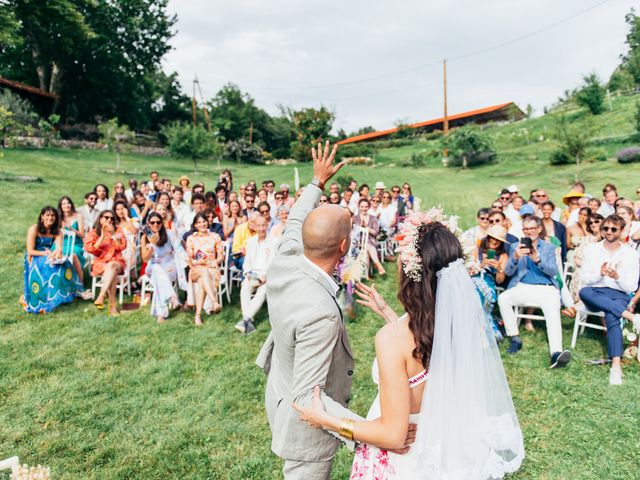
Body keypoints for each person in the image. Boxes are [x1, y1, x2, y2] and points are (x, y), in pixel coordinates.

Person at [293, 210, 524, 480]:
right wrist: (390, 314)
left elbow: (393, 435)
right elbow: (426, 357)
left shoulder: (393, 339)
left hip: (404, 463)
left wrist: (328, 420)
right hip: (440, 450)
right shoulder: (456, 323)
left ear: (412, 273)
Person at [256, 141, 369, 479]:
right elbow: (308, 399)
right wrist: (369, 431)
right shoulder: (320, 313)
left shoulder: (285, 258)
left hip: (279, 387)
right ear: (344, 246)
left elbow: (294, 221)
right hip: (306, 434)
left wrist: (316, 182)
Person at [497, 216, 572, 368]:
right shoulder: (516, 246)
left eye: (532, 228)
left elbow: (552, 271)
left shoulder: (548, 247)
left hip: (545, 287)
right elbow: (509, 272)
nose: (529, 232)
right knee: (503, 298)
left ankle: (556, 353)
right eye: (526, 229)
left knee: (552, 308)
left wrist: (537, 259)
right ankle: (514, 337)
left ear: (539, 229)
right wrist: (516, 258)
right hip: (523, 286)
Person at [579, 214, 640, 385]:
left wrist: (618, 277)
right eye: (605, 228)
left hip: (618, 293)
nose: (609, 232)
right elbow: (585, 278)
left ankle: (616, 367)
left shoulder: (631, 254)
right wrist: (600, 273)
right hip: (595, 292)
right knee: (584, 292)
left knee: (612, 316)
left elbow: (631, 287)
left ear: (621, 230)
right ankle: (632, 318)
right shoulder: (591, 249)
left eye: (614, 229)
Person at [22, 206, 82, 313]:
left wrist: (57, 253)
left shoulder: (58, 231)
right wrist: (45, 253)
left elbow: (58, 248)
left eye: (53, 215)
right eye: (48, 215)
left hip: (48, 255)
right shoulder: (34, 229)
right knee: (49, 265)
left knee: (65, 263)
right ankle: (47, 299)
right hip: (34, 256)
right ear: (42, 217)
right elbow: (30, 251)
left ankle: (65, 293)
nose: (50, 217)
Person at [235, 215, 276, 334]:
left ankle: (245, 319)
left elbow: (273, 262)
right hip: (252, 275)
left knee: (262, 292)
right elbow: (247, 261)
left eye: (264, 225)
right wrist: (247, 273)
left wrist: (266, 276)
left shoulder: (274, 241)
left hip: (266, 276)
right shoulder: (251, 241)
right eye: (259, 226)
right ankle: (248, 321)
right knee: (245, 288)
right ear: (255, 227)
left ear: (267, 225)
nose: (262, 228)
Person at [84, 210, 127, 316]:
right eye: (106, 217)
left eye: (112, 218)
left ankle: (101, 295)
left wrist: (113, 234)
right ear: (100, 218)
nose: (109, 220)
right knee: (112, 271)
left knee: (112, 265)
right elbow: (90, 249)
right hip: (101, 263)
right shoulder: (93, 233)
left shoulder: (118, 230)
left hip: (117, 261)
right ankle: (112, 307)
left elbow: (121, 247)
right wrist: (102, 236)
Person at [140, 212, 181, 323]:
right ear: (148, 224)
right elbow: (145, 258)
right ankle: (173, 298)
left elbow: (178, 248)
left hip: (169, 266)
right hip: (152, 266)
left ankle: (161, 314)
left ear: (162, 223)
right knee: (157, 269)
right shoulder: (145, 237)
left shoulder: (169, 234)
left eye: (158, 222)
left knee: (159, 278)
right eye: (152, 222)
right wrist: (152, 244)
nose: (155, 225)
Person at [470, 225, 508, 340]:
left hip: (489, 282)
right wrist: (482, 265)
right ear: (488, 237)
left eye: (498, 240)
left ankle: (484, 331)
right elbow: (470, 271)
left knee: (479, 294)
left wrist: (499, 268)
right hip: (473, 278)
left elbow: (499, 281)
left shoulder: (503, 255)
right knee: (473, 291)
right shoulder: (477, 249)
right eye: (492, 237)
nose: (494, 241)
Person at [186, 213, 223, 325]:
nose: (202, 224)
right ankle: (214, 301)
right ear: (195, 225)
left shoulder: (215, 236)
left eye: (204, 221)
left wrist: (214, 262)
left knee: (203, 280)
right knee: (202, 270)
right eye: (199, 222)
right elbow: (189, 260)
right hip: (195, 269)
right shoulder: (191, 238)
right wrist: (199, 262)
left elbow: (221, 256)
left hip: (211, 268)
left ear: (208, 222)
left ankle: (197, 316)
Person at [353, 198, 385, 275]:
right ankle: (378, 265)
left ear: (369, 207)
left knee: (367, 246)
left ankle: (368, 272)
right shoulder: (355, 218)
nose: (364, 209)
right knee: (366, 247)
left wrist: (366, 227)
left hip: (370, 241)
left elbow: (375, 232)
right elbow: (353, 231)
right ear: (359, 207)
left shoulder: (373, 218)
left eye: (366, 206)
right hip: (358, 242)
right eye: (362, 206)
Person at [58, 196, 86, 281]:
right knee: (56, 252)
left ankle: (78, 280)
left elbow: (82, 234)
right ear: (60, 206)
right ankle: (61, 278)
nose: (66, 205)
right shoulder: (59, 218)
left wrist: (71, 229)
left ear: (71, 204)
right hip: (62, 243)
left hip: (75, 243)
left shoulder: (78, 216)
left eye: (68, 203)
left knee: (74, 252)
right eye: (64, 204)